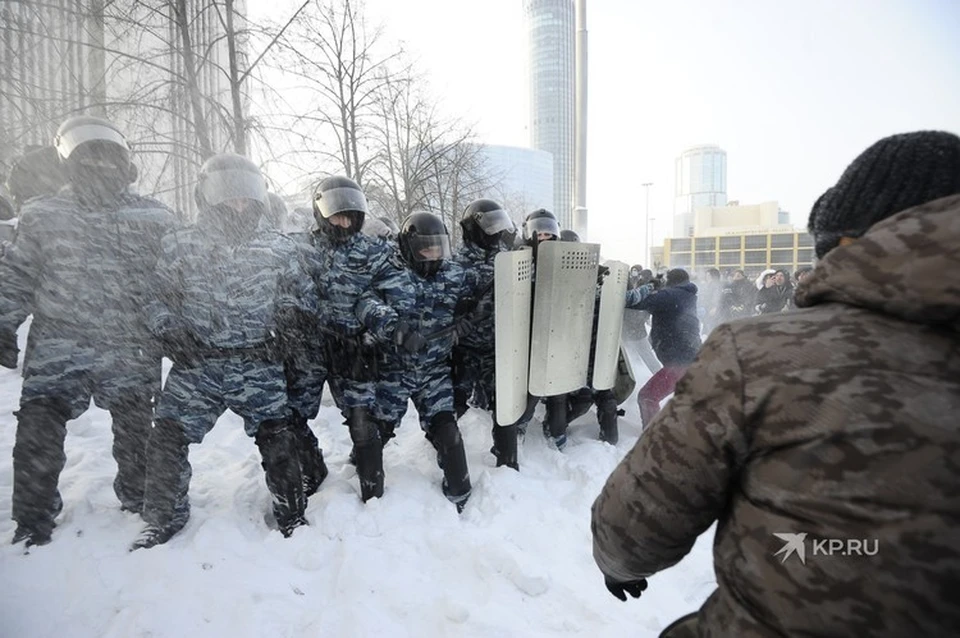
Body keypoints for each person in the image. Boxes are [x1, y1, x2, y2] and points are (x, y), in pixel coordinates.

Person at [591, 130, 960, 637]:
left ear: (844, 243)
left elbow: (637, 518)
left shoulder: (756, 353)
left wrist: (619, 562)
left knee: (654, 394)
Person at [0, 116, 176, 547]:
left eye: (108, 159)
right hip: (60, 345)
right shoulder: (42, 215)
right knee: (37, 433)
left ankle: (139, 499)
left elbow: (180, 273)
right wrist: (2, 321)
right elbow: (18, 275)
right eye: (88, 160)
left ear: (124, 166)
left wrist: (188, 325)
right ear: (70, 164)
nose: (99, 168)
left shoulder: (153, 218)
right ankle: (33, 520)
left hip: (129, 347)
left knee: (138, 434)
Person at [133, 153, 320, 549]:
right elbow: (153, 296)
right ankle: (164, 517)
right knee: (166, 439)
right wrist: (171, 331)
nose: (238, 205)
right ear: (207, 197)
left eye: (245, 197)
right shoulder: (180, 244)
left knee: (280, 443)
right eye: (228, 197)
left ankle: (292, 515)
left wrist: (289, 325)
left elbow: (301, 295)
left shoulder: (278, 247)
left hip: (258, 361)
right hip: (198, 362)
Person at [294, 175, 408, 503]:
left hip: (353, 347)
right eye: (336, 215)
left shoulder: (375, 250)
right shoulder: (301, 248)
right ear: (320, 213)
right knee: (291, 416)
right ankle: (312, 468)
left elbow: (399, 294)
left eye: (350, 215)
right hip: (310, 348)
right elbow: (286, 288)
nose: (343, 222)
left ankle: (372, 491)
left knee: (362, 420)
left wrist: (377, 324)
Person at [357, 212, 476, 510]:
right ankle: (370, 503)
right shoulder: (389, 272)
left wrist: (465, 319)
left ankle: (460, 499)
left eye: (438, 248)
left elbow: (481, 296)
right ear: (409, 248)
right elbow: (364, 303)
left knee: (448, 433)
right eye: (426, 248)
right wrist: (395, 328)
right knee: (374, 435)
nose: (433, 254)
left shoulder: (454, 274)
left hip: (434, 373)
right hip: (393, 372)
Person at [452, 198, 520, 469]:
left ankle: (507, 461)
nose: (494, 233)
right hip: (465, 348)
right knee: (454, 402)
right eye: (489, 227)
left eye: (497, 226)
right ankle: (445, 451)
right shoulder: (456, 263)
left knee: (504, 406)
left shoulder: (508, 259)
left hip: (497, 348)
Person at [624, 268, 701, 427]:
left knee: (647, 396)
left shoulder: (670, 295)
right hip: (689, 359)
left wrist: (649, 287)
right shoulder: (686, 294)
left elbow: (634, 302)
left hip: (681, 362)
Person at [622, 267, 663, 376]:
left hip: (630, 329)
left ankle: (659, 378)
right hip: (633, 329)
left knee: (634, 356)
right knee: (643, 356)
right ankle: (660, 378)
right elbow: (633, 299)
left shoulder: (632, 287)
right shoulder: (633, 289)